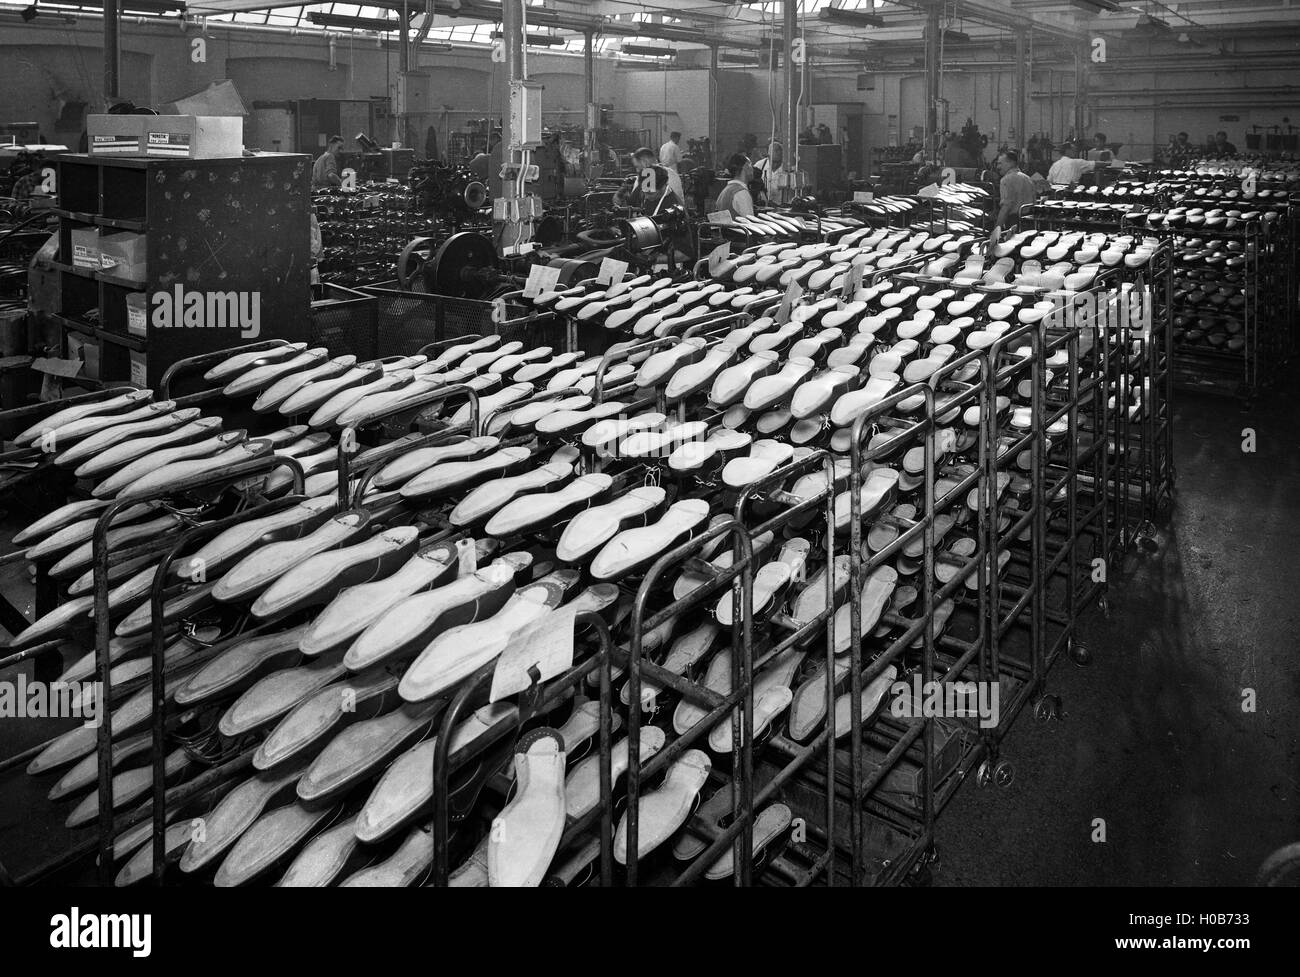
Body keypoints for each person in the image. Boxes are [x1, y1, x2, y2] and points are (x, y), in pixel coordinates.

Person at [614, 146, 683, 215]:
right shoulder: (646, 176)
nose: (637, 170)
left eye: (637, 166)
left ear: (645, 163)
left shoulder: (668, 176)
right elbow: (633, 201)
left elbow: (675, 206)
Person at [995, 149, 1037, 230]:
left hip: (1014, 222)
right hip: (1030, 222)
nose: (998, 167)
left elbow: (1006, 207)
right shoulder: (1028, 178)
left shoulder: (1006, 180)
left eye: (1000, 163)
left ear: (1011, 163)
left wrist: (997, 228)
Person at [714, 154, 756, 218]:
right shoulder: (741, 193)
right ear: (745, 167)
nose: (753, 169)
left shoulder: (726, 190)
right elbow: (750, 223)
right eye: (750, 165)